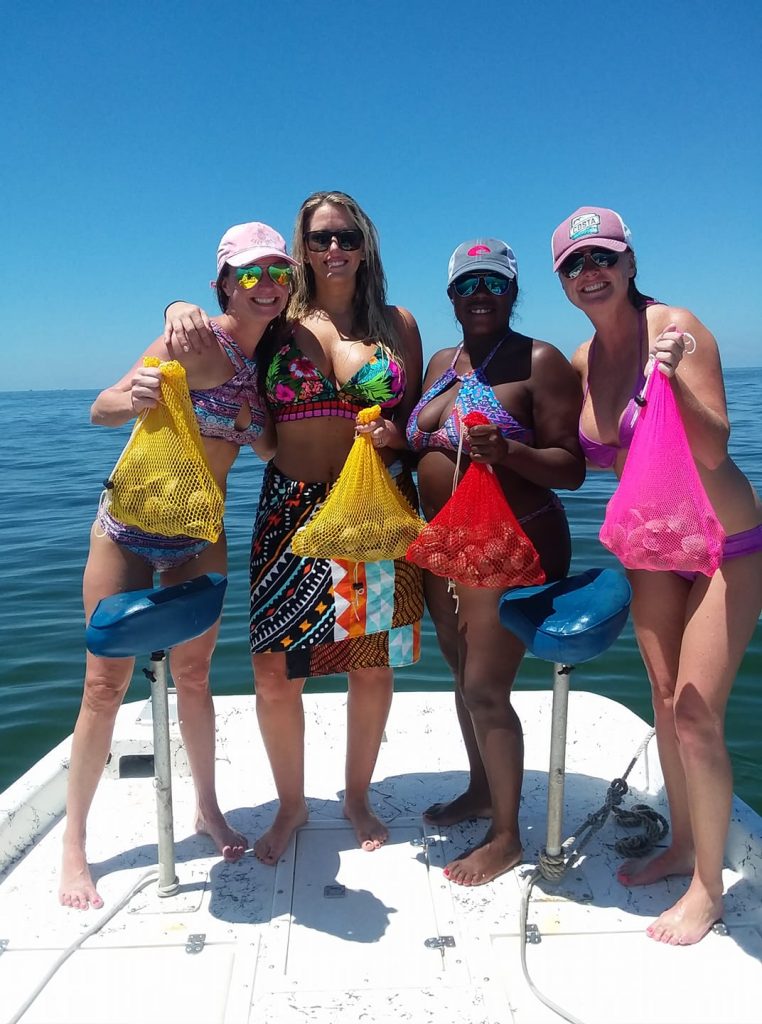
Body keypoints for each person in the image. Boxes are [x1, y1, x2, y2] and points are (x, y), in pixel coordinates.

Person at [163, 191, 424, 863]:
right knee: (275, 674)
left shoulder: (399, 325)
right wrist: (177, 308)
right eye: (319, 238)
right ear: (302, 249)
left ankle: (357, 796)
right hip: (290, 509)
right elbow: (220, 343)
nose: (333, 249)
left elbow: (417, 424)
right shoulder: (278, 325)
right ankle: (293, 804)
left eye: (345, 237)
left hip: (373, 503)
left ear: (365, 245)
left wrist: (398, 434)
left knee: (370, 668)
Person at [60, 222, 294, 909]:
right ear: (224, 284)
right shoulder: (190, 338)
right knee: (104, 686)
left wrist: (257, 427)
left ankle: (207, 810)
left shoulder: (270, 360)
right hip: (127, 531)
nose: (267, 285)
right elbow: (100, 408)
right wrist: (131, 395)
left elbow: (272, 451)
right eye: (250, 274)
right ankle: (75, 846)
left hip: (201, 534)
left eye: (278, 272)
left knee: (194, 677)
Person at [551, 205, 762, 945]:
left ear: (630, 261)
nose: (591, 273)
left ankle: (710, 888)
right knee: (666, 699)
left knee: (700, 713)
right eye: (574, 266)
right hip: (650, 547)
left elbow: (713, 447)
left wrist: (670, 382)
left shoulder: (678, 327)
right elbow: (572, 458)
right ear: (564, 282)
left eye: (602, 257)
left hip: (727, 544)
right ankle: (680, 846)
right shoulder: (580, 361)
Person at [406, 238, 585, 885]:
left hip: (509, 540)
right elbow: (415, 443)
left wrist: (507, 455)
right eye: (466, 284)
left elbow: (572, 468)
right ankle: (482, 790)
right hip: (445, 540)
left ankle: (508, 835)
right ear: (451, 296)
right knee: (460, 674)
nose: (479, 294)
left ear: (512, 291)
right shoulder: (440, 363)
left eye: (493, 282)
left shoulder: (541, 362)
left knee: (485, 687)